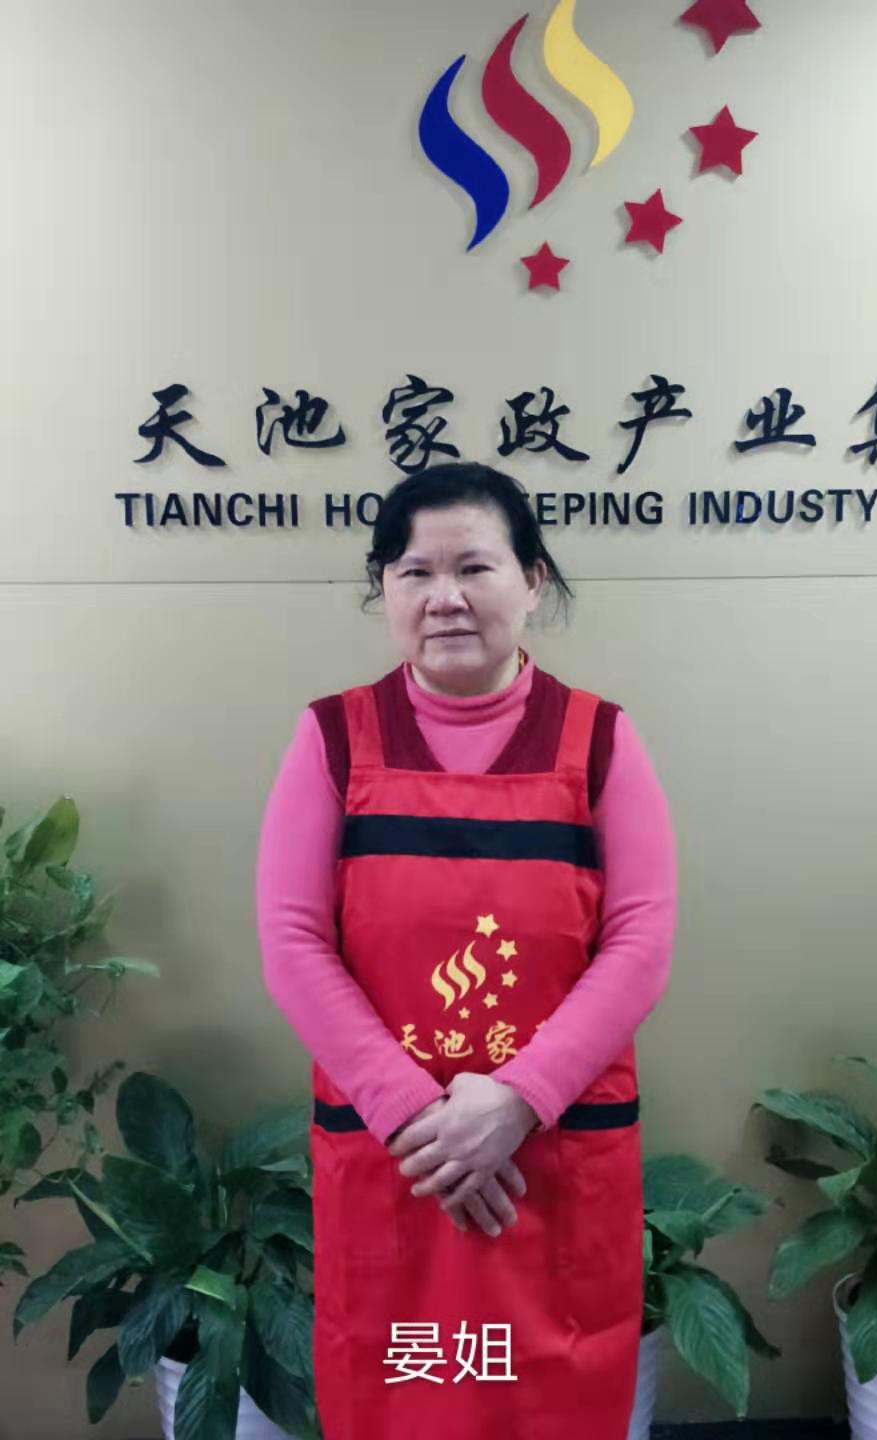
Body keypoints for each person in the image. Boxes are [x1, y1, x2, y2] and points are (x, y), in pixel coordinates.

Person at [255, 461, 677, 1440]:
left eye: (474, 567)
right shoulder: (332, 740)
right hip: (396, 1156)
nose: (444, 596)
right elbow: (292, 941)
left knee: (551, 1405)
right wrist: (418, 1116)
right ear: (385, 589)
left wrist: (520, 1098)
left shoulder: (601, 741)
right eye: (415, 572)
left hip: (551, 1154)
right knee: (402, 1398)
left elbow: (642, 940)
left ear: (532, 579)